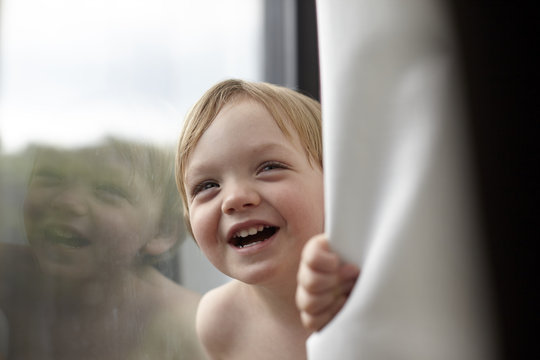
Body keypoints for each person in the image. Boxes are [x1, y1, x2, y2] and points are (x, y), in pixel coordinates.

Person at [175, 79, 360, 359]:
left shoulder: (368, 289)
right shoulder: (220, 321)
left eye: (269, 167)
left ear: (334, 183)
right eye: (207, 186)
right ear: (189, 221)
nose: (234, 198)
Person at [0, 138, 207, 360]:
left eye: (108, 189)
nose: (66, 201)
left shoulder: (190, 324)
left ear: (161, 230)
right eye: (51, 176)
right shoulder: (11, 276)